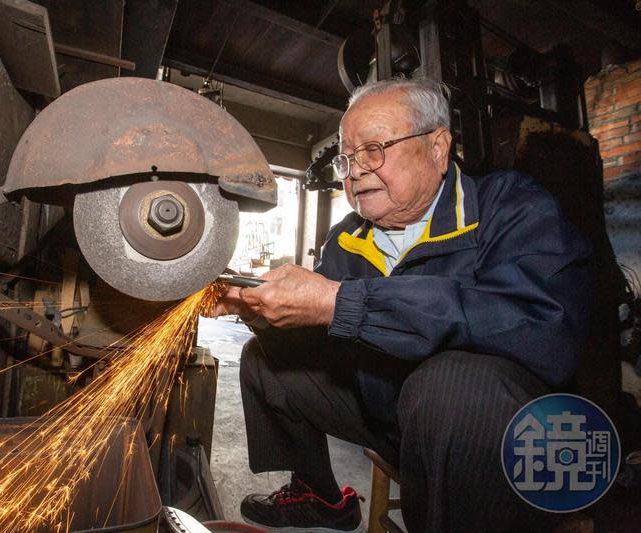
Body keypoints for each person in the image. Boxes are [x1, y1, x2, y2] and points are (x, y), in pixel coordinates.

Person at [211, 77, 592, 532]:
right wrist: (265, 313)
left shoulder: (511, 208)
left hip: (493, 428)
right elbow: (330, 334)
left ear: (437, 147)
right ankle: (319, 495)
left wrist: (339, 302)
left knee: (452, 386)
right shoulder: (347, 239)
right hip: (390, 412)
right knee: (264, 360)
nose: (354, 171)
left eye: (373, 149)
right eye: (347, 158)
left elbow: (546, 327)